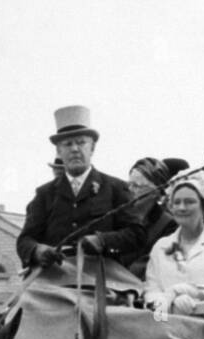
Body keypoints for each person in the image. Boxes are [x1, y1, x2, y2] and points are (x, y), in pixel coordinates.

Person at [16, 106, 146, 269]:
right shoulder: (44, 194)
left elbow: (137, 234)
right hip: (54, 277)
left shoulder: (116, 188)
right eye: (68, 144)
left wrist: (103, 240)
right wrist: (37, 250)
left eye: (81, 142)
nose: (75, 149)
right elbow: (24, 240)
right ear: (59, 151)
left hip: (104, 274)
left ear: (92, 147)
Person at [143, 170, 204, 330]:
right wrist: (166, 309)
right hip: (168, 324)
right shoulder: (161, 246)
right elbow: (152, 291)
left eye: (189, 202)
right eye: (176, 202)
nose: (181, 207)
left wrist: (183, 293)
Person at [119, 156, 188, 280]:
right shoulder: (118, 216)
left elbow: (153, 265)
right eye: (129, 185)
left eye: (137, 186)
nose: (130, 191)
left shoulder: (168, 225)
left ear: (156, 192)